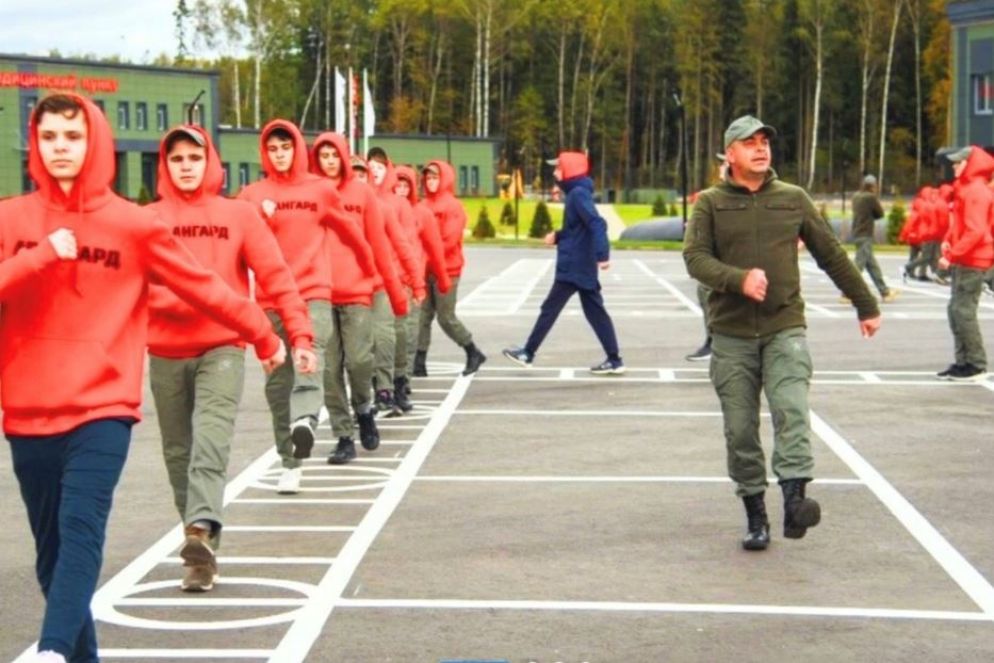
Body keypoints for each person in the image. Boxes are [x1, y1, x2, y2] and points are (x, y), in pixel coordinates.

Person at [0, 93, 285, 663]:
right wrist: (38, 259)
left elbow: (203, 286)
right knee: (51, 556)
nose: (61, 148)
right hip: (28, 408)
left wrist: (265, 333)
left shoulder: (133, 225)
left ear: (95, 141)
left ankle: (50, 652)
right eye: (50, 137)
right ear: (36, 143)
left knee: (81, 531)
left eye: (73, 137)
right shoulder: (11, 219)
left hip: (103, 408)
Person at [684, 115, 881, 552]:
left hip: (783, 327)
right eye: (749, 142)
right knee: (740, 431)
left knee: (791, 408)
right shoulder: (710, 203)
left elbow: (830, 253)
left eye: (765, 142)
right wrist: (738, 280)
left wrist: (866, 304)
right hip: (732, 335)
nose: (760, 148)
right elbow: (695, 259)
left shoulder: (793, 198)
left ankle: (795, 501)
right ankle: (756, 515)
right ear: (730, 154)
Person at [147, 125, 318, 592]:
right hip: (164, 349)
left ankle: (200, 528)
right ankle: (200, 552)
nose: (186, 167)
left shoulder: (238, 216)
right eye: (177, 159)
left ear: (210, 162)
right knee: (177, 452)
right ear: (166, 165)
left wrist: (299, 334)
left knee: (211, 438)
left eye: (194, 158)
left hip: (222, 344)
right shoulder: (149, 219)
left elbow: (277, 278)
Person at [237, 120, 375, 493]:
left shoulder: (320, 190)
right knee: (277, 385)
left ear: (297, 148)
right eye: (274, 149)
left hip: (313, 292)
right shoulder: (251, 195)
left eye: (286, 147)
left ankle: (308, 420)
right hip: (270, 299)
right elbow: (236, 247)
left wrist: (369, 269)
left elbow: (351, 233)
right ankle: (291, 461)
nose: (280, 154)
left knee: (309, 354)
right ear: (266, 153)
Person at [309, 135, 405, 465]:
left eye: (334, 154)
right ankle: (343, 435)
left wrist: (393, 290)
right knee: (330, 368)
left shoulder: (362, 194)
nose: (329, 161)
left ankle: (363, 407)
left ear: (343, 157)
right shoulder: (311, 192)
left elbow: (378, 243)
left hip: (357, 290)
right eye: (323, 155)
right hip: (319, 292)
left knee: (360, 361)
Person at [502, 151, 624, 374]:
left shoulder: (577, 194)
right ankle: (614, 360)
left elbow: (597, 224)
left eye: (558, 168)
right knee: (595, 313)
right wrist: (557, 236)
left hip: (574, 266)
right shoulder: (578, 193)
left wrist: (603, 255)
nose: (555, 172)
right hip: (579, 264)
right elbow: (577, 229)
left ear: (570, 170)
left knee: (549, 309)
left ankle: (528, 353)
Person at [414, 160, 487, 376]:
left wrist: (427, 254)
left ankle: (472, 351)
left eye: (435, 177)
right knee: (422, 316)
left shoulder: (453, 206)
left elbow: (449, 239)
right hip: (425, 269)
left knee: (446, 317)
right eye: (428, 178)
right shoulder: (423, 205)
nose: (431, 182)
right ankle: (419, 361)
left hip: (447, 269)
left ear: (444, 179)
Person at [367, 147, 425, 414]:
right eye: (371, 168)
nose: (374, 173)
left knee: (397, 336)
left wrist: (412, 279)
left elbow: (407, 244)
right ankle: (380, 386)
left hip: (396, 280)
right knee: (373, 339)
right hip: (368, 282)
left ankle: (399, 383)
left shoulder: (398, 204)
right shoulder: (362, 199)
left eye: (379, 168)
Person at [936, 146, 994, 382]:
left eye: (958, 163)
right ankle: (964, 362)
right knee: (956, 311)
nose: (954, 166)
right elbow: (960, 225)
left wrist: (951, 254)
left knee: (963, 311)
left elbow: (976, 231)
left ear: (970, 164)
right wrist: (948, 241)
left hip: (974, 259)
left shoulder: (976, 191)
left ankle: (975, 364)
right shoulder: (967, 189)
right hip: (965, 258)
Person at [394, 164, 452, 401]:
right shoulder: (382, 208)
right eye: (397, 184)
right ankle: (386, 382)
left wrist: (442, 276)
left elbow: (434, 247)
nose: (401, 189)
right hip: (386, 283)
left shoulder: (422, 213)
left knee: (409, 333)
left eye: (405, 184)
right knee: (388, 337)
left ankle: (403, 380)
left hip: (411, 281)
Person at [686, 154, 729, 362]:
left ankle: (718, 343)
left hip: (733, 261)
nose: (721, 167)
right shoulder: (716, 193)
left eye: (725, 163)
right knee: (705, 290)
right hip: (719, 258)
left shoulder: (734, 193)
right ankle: (713, 341)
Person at [840, 174, 899, 304]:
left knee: (872, 266)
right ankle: (846, 292)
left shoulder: (856, 196)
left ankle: (885, 291)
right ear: (873, 186)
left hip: (857, 233)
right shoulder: (870, 198)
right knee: (858, 266)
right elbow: (880, 214)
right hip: (865, 234)